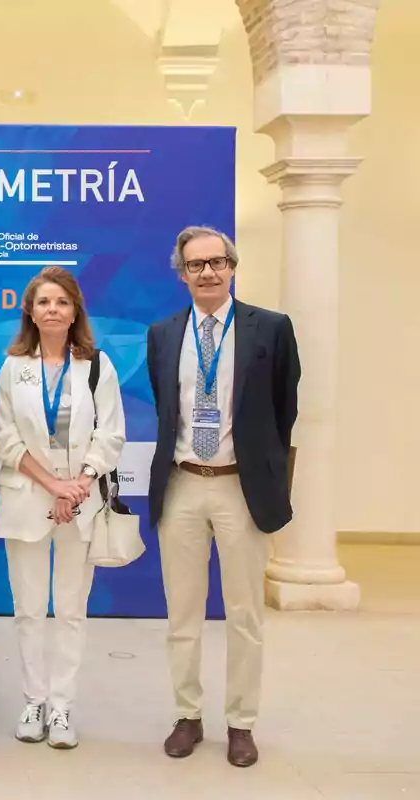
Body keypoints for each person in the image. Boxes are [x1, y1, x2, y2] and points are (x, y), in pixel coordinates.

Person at [147, 225, 300, 768]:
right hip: (183, 485)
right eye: (196, 265)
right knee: (182, 615)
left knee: (244, 615)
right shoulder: (163, 334)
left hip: (241, 488)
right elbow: (169, 411)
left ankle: (241, 723)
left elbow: (286, 408)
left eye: (217, 262)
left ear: (232, 266)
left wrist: (264, 471)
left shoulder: (271, 329)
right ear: (182, 273)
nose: (207, 272)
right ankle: (187, 715)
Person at [0, 267, 125, 750]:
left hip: (80, 505)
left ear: (74, 312)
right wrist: (54, 485)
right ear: (30, 310)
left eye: (62, 302)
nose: (52, 309)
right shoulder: (13, 367)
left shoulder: (96, 367)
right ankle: (34, 700)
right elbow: (2, 436)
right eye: (44, 302)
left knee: (70, 609)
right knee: (28, 609)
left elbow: (110, 433)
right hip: (29, 499)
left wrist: (80, 484)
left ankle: (63, 706)